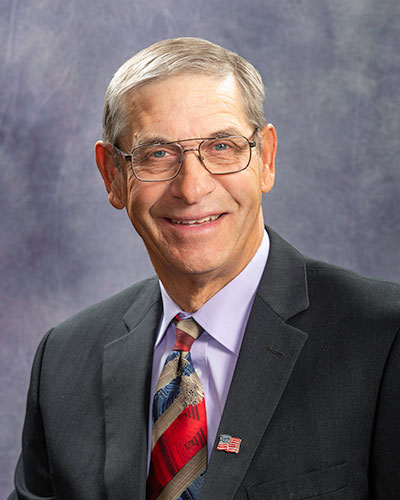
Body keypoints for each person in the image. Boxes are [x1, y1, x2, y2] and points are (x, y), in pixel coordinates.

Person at [9, 37, 400, 500]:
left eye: (221, 146)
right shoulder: (65, 358)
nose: (192, 188)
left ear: (266, 159)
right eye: (157, 154)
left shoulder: (383, 338)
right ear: (112, 175)